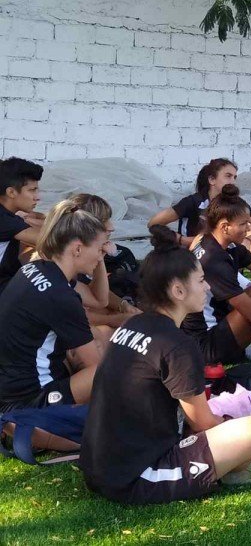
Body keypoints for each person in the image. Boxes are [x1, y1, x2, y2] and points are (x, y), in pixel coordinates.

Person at [80, 225, 251, 505]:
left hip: (96, 466)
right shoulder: (177, 345)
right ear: (178, 290)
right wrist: (233, 428)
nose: (207, 287)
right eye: (201, 280)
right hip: (137, 477)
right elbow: (202, 423)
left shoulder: (132, 325)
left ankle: (230, 464)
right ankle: (234, 468)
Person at [0, 200, 110, 413]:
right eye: (99, 249)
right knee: (109, 371)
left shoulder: (36, 268)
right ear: (77, 248)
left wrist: (99, 256)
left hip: (10, 382)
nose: (100, 255)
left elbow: (99, 301)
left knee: (100, 335)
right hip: (28, 398)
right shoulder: (61, 297)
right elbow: (96, 368)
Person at [179, 184, 251, 364]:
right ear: (225, 227)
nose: (248, 229)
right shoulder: (214, 260)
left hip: (215, 322)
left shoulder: (216, 241)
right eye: (243, 224)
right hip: (205, 345)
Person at [65, 193, 140, 330]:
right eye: (104, 221)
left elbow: (99, 300)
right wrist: (116, 319)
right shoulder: (57, 275)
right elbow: (77, 318)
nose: (112, 227)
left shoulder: (65, 270)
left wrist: (123, 306)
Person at [147, 158, 238, 248]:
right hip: (189, 253)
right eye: (228, 176)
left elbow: (245, 227)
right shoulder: (193, 201)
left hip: (218, 251)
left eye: (234, 177)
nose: (233, 182)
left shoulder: (233, 203)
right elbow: (154, 223)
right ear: (212, 180)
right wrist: (179, 239)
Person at [0, 157, 44, 293]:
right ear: (11, 192)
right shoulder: (5, 221)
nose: (37, 197)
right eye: (32, 190)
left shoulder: (8, 216)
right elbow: (52, 240)